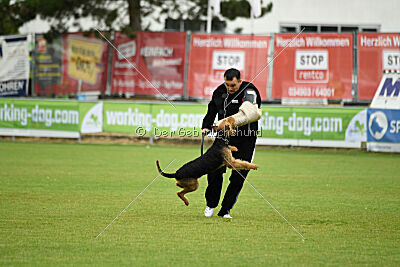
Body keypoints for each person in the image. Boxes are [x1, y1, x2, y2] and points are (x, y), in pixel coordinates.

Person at [201, 68, 261, 218]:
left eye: (233, 85)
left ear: (240, 82)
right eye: (227, 84)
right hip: (224, 138)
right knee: (214, 170)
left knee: (238, 175)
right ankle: (211, 204)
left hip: (246, 138)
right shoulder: (219, 92)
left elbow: (250, 112)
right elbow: (211, 111)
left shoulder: (250, 90)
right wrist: (206, 126)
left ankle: (225, 209)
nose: (230, 88)